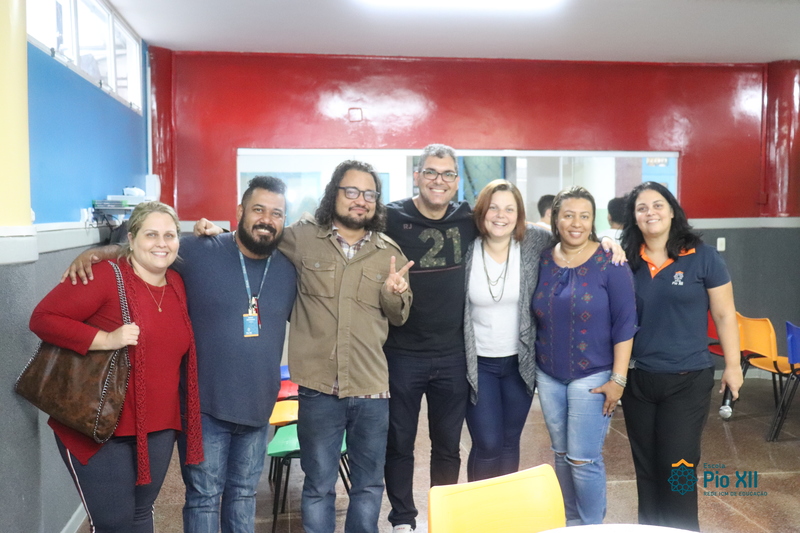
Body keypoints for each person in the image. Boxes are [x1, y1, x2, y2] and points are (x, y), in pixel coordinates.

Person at [64, 177, 297, 533]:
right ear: (240, 212)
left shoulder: (288, 268)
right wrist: (97, 254)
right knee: (204, 497)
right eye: (258, 209)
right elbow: (152, 248)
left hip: (258, 406)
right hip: (204, 408)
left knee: (244, 495)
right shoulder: (202, 250)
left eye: (276, 213)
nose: (267, 219)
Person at [32, 201, 204, 532]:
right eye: (151, 234)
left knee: (141, 514)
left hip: (158, 426)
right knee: (113, 523)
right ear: (132, 238)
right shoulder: (104, 276)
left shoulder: (177, 284)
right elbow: (43, 318)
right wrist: (105, 339)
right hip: (100, 425)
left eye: (169, 235)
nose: (161, 243)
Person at [273, 160, 413, 533]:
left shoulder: (389, 253)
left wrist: (394, 293)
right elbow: (257, 240)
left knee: (368, 486)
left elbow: (399, 316)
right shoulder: (302, 239)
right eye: (351, 191)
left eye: (369, 194)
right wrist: (214, 233)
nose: (360, 200)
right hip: (319, 388)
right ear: (334, 193)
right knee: (318, 486)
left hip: (372, 389)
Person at [620, 181, 743, 531]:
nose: (651, 213)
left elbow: (724, 314)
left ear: (672, 211)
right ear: (634, 217)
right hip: (638, 379)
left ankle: (684, 528)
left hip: (687, 379)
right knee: (646, 468)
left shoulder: (703, 256)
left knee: (680, 466)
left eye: (658, 205)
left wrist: (733, 365)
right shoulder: (625, 260)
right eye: (642, 208)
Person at [382, 144, 476, 533]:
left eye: (448, 173)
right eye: (431, 172)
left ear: (456, 180)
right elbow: (336, 225)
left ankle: (442, 519)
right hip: (402, 353)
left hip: (453, 353)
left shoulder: (469, 217)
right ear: (417, 176)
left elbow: (520, 225)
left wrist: (604, 241)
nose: (440, 180)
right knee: (399, 443)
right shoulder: (390, 216)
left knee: (448, 447)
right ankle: (403, 520)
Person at [532, 186, 637, 525]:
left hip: (593, 374)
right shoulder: (543, 258)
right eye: (568, 215)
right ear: (555, 219)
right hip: (548, 373)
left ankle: (592, 527)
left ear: (593, 221)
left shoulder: (611, 261)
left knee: (582, 459)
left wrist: (618, 379)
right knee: (561, 455)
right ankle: (570, 523)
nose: (576, 223)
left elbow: (626, 323)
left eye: (584, 216)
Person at [462, 180, 550, 482]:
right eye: (493, 208)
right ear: (481, 212)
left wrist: (608, 243)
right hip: (478, 364)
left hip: (519, 363)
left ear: (519, 215)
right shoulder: (467, 247)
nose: (501, 215)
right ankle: (479, 508)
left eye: (509, 209)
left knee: (510, 442)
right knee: (487, 443)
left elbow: (574, 240)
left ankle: (505, 506)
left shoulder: (534, 241)